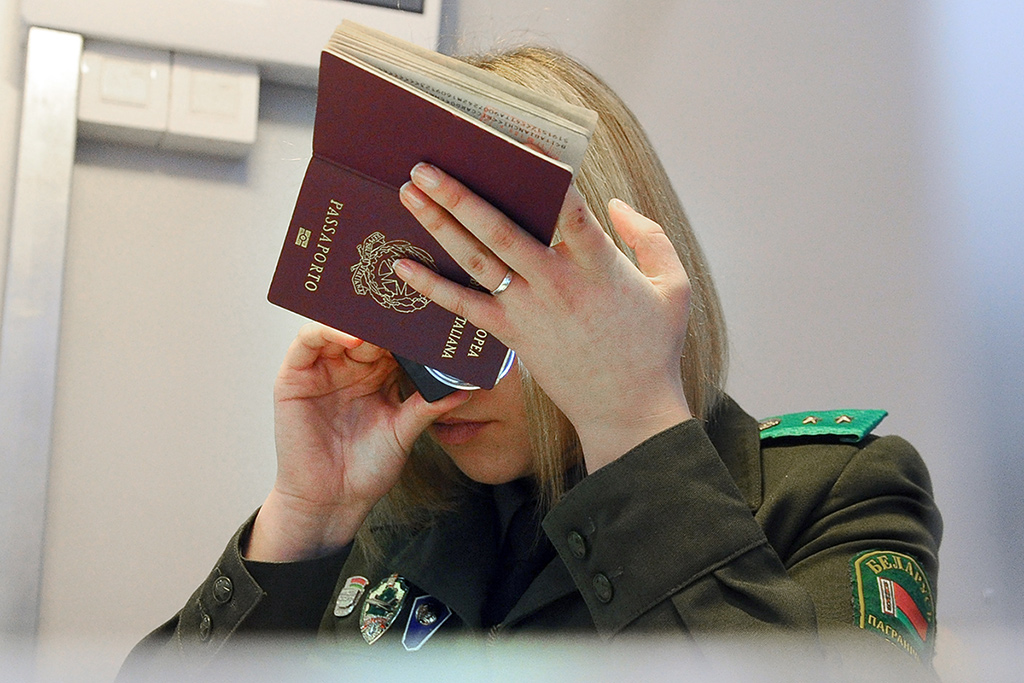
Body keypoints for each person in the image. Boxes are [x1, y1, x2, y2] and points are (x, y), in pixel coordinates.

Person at [120, 46, 941, 679]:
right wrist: (303, 525)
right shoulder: (392, 515)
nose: (445, 362)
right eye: (419, 304)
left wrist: (630, 420)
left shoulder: (835, 494)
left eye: (491, 303)